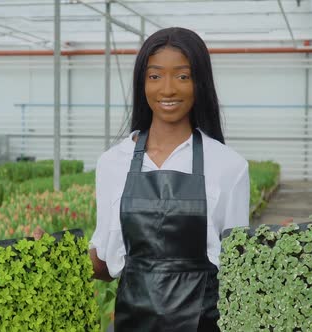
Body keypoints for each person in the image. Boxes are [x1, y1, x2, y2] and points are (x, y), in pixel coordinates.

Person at [89, 27, 250, 332]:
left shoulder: (229, 166)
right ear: (142, 83)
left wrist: (281, 247)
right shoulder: (112, 163)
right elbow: (107, 264)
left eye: (182, 76)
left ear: (199, 83)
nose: (167, 89)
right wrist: (49, 254)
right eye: (155, 76)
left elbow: (238, 267)